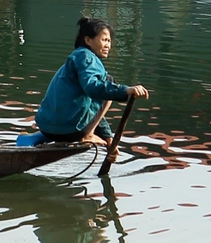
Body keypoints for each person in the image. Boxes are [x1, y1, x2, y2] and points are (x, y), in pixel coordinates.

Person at [35, 17, 149, 148]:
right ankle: (88, 135)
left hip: (47, 129)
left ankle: (88, 133)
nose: (108, 45)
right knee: (108, 82)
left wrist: (109, 140)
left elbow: (93, 107)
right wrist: (125, 90)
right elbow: (93, 88)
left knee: (106, 86)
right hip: (70, 130)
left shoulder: (76, 57)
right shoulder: (87, 57)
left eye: (109, 41)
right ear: (88, 40)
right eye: (104, 40)